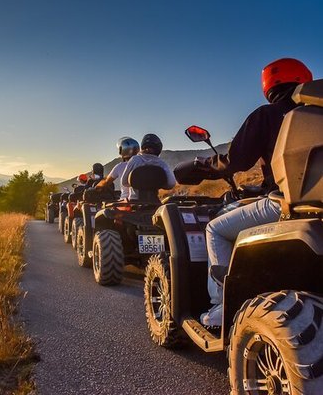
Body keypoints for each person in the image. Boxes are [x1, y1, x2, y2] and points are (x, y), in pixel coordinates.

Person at [200, 57, 313, 326]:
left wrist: (203, 166)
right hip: (316, 207)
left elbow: (235, 161)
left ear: (269, 84)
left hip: (285, 204)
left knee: (214, 229)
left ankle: (221, 307)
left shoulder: (269, 114)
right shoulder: (315, 117)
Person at [120, 133, 176, 200]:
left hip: (134, 202)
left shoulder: (135, 160)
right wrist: (160, 184)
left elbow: (124, 182)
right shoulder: (161, 163)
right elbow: (171, 183)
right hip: (154, 203)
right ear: (158, 148)